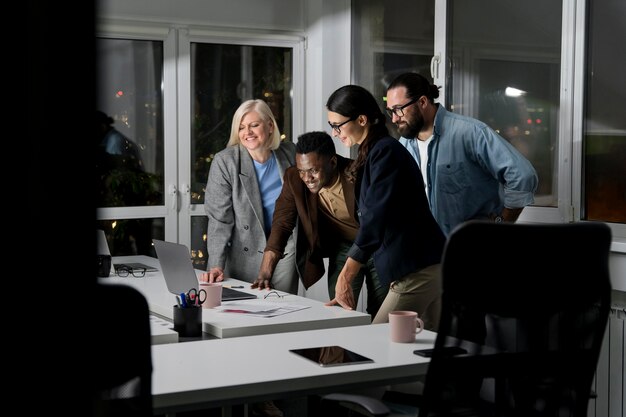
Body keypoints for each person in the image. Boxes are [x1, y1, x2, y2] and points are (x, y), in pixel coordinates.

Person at [324, 85, 446, 329]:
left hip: (419, 268)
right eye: (332, 126)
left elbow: (375, 220)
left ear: (362, 119)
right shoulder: (373, 153)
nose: (335, 133)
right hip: (419, 267)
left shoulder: (385, 152)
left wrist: (346, 276)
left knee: (380, 339)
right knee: (425, 349)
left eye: (338, 125)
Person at [253, 131, 388, 319]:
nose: (307, 178)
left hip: (378, 245)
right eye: (302, 171)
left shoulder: (359, 173)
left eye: (314, 171)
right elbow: (282, 224)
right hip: (343, 247)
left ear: (332, 163)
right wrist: (265, 272)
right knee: (339, 311)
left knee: (382, 314)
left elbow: (378, 222)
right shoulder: (294, 179)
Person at [385, 72, 538, 236]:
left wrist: (503, 223)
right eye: (390, 111)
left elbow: (522, 176)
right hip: (425, 252)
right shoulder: (404, 145)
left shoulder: (470, 133)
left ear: (422, 102)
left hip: (469, 251)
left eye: (398, 109)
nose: (394, 119)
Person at [203, 99, 299, 295]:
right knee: (246, 310)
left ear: (270, 126)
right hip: (246, 247)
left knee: (282, 306)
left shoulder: (290, 153)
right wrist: (215, 264)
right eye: (241, 127)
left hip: (285, 247)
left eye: (254, 125)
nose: (247, 132)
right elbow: (220, 220)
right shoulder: (225, 162)